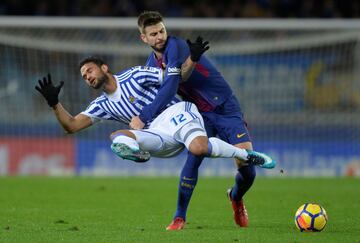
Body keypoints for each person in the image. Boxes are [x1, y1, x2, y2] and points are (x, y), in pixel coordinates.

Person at [136, 11, 275, 230]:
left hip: (224, 106)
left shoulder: (176, 45)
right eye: (153, 34)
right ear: (144, 38)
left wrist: (144, 116)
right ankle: (179, 216)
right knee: (195, 155)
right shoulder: (150, 66)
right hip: (199, 114)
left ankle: (236, 197)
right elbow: (168, 88)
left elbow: (175, 81)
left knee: (246, 167)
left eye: (161, 31)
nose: (159, 36)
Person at [35, 55, 274, 176]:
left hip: (177, 114)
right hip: (157, 135)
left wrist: (190, 60)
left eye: (89, 70)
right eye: (84, 76)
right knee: (118, 136)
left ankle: (247, 155)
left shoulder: (136, 75)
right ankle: (138, 154)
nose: (87, 76)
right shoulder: (102, 104)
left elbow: (173, 78)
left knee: (199, 148)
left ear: (104, 67)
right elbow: (72, 126)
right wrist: (55, 103)